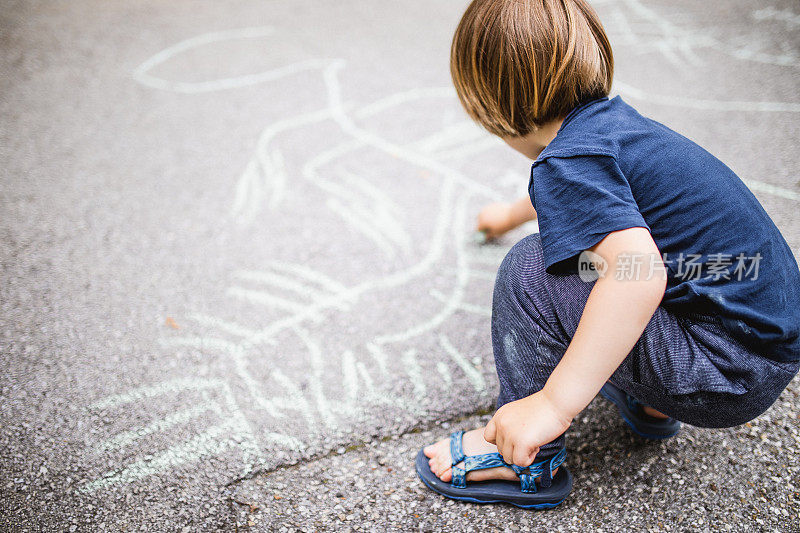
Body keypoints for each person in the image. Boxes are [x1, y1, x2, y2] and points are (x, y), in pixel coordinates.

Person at [415, 0, 800, 508]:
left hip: (721, 371)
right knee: (613, 256)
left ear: (488, 104)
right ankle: (653, 403)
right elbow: (591, 206)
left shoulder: (567, 162)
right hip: (756, 350)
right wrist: (510, 215)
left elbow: (634, 277)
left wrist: (553, 404)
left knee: (531, 271)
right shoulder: (614, 129)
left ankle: (527, 458)